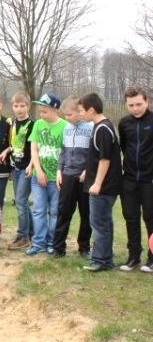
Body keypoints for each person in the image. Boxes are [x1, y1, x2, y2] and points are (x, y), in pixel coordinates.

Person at [78, 93, 122, 272]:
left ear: (92, 110)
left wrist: (96, 184)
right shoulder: (100, 127)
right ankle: (106, 259)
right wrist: (86, 172)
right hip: (101, 184)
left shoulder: (103, 129)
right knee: (105, 223)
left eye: (82, 111)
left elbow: (105, 160)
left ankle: (100, 261)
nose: (80, 114)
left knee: (99, 223)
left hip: (104, 188)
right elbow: (97, 158)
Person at [25, 93, 66, 256]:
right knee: (38, 210)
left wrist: (59, 173)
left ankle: (52, 242)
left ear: (55, 110)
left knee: (55, 212)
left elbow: (66, 152)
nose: (41, 114)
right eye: (40, 111)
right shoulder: (38, 125)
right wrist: (38, 170)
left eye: (45, 111)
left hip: (56, 179)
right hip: (38, 177)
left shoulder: (64, 126)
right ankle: (38, 242)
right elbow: (34, 149)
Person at [118, 86, 153, 272]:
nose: (136, 108)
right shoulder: (124, 123)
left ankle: (152, 258)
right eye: (131, 105)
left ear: (146, 101)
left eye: (139, 104)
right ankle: (133, 257)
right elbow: (124, 147)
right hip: (130, 179)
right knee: (131, 217)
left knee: (150, 218)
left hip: (150, 180)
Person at [53, 96, 93, 258]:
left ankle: (84, 247)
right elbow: (63, 151)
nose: (66, 118)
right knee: (64, 212)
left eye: (69, 115)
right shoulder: (66, 128)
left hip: (84, 178)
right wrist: (58, 171)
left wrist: (87, 170)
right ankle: (58, 247)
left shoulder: (91, 128)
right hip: (67, 176)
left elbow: (94, 153)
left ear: (80, 112)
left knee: (86, 214)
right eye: (65, 115)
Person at [5, 91, 35, 250]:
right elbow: (14, 144)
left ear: (28, 106)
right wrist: (7, 151)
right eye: (16, 106)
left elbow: (33, 148)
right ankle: (31, 233)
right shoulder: (13, 123)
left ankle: (23, 236)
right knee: (21, 201)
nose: (19, 109)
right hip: (15, 168)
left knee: (21, 202)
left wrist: (31, 165)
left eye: (22, 105)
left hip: (27, 168)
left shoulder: (32, 125)